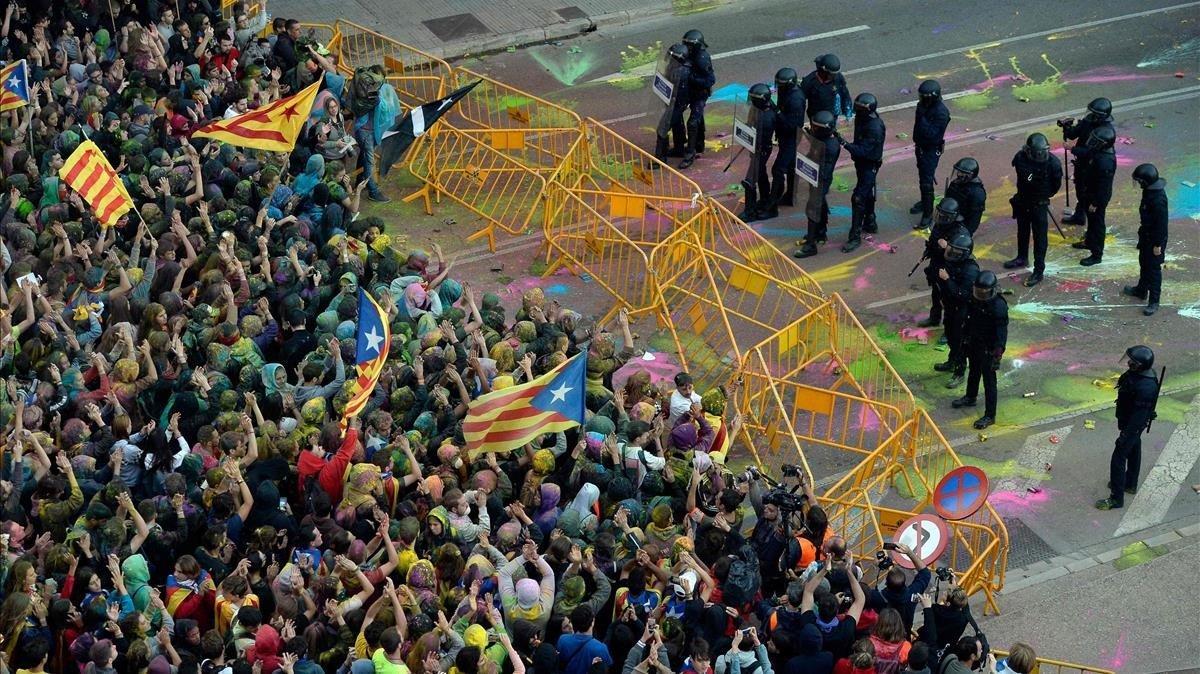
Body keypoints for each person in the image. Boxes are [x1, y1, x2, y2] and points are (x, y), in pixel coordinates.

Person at [1096, 346, 1159, 510]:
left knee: (1118, 458)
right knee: (1134, 448)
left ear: (1141, 365)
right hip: (1129, 421)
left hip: (1132, 425)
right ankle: (1130, 483)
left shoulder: (1146, 386)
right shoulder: (1138, 376)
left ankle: (1116, 499)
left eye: (1133, 361)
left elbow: (1139, 416)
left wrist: (1125, 435)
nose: (1129, 362)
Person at [1003, 133, 1063, 287]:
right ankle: (1022, 257)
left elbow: (1056, 186)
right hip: (1024, 199)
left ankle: (1038, 270)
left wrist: (1044, 194)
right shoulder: (1021, 159)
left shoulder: (1054, 163)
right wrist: (1037, 178)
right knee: (1022, 230)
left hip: (1039, 204)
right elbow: (1027, 178)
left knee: (1040, 237)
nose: (1040, 156)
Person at [953, 271, 1008, 429]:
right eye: (978, 291)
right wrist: (965, 338)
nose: (980, 295)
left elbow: (1001, 334)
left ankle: (990, 415)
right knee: (974, 371)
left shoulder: (998, 306)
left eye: (983, 292)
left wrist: (997, 355)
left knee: (989, 382)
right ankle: (971, 397)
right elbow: (969, 319)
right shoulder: (974, 298)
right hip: (974, 342)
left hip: (989, 348)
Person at [836, 92, 885, 252]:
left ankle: (854, 236)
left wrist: (844, 143)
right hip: (862, 163)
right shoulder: (863, 119)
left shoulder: (874, 127)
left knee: (858, 197)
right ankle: (870, 221)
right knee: (867, 192)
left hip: (869, 163)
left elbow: (863, 150)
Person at [934, 231, 980, 390]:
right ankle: (951, 361)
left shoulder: (970, 270)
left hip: (962, 310)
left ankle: (959, 371)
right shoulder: (953, 260)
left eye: (956, 251)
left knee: (959, 341)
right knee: (950, 335)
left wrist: (947, 280)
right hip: (950, 306)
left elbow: (964, 295)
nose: (952, 253)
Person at [1059, 97, 1115, 226]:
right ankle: (1079, 215)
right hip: (1081, 162)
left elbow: (1092, 152)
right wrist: (1067, 127)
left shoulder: (1105, 132)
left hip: (1091, 165)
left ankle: (1083, 217)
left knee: (1086, 192)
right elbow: (1074, 134)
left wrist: (1072, 149)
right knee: (1080, 190)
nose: (1091, 115)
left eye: (1094, 114)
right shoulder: (1089, 120)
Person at [794, 111, 841, 259]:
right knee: (819, 203)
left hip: (821, 180)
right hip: (816, 178)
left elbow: (824, 171)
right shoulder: (827, 141)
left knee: (813, 208)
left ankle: (811, 245)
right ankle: (821, 232)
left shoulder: (830, 147)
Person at [1123, 163, 1169, 315]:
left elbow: (1161, 225)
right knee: (1144, 262)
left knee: (1154, 270)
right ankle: (1141, 290)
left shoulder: (1158, 199)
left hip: (1155, 239)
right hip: (1146, 235)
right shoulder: (1150, 192)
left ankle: (1154, 301)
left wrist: (1157, 244)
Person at [917, 198, 967, 330]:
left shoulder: (960, 233)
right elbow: (932, 241)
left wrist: (948, 247)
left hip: (949, 269)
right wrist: (927, 252)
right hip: (936, 264)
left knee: (949, 300)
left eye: (944, 216)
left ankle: (949, 329)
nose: (940, 218)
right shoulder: (940, 225)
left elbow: (961, 255)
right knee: (936, 293)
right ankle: (934, 318)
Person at [1073, 125, 1116, 266]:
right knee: (1092, 222)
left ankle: (1097, 254)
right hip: (1090, 192)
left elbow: (1103, 188)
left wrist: (1096, 203)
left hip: (1097, 198)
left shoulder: (1105, 162)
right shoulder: (1099, 152)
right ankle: (1089, 242)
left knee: (1097, 225)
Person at [910, 80, 951, 230]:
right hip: (921, 146)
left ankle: (927, 213)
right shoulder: (922, 106)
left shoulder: (941, 113)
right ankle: (924, 201)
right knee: (922, 175)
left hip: (931, 149)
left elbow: (932, 135)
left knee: (926, 182)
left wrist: (923, 119)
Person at [738, 83, 779, 222]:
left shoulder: (767, 119)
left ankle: (750, 212)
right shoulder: (765, 108)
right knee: (761, 173)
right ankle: (765, 199)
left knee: (750, 179)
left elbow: (759, 137)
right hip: (758, 148)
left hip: (761, 149)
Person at [680, 29, 715, 169]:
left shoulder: (702, 58)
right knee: (696, 118)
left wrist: (691, 77)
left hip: (700, 94)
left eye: (689, 45)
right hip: (690, 92)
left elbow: (710, 80)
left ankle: (690, 153)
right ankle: (699, 144)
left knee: (693, 122)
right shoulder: (689, 54)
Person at [772, 67, 806, 209]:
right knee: (791, 166)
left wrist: (777, 113)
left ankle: (773, 200)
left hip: (791, 136)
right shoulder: (784, 91)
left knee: (778, 169)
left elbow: (792, 125)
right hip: (783, 134)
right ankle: (790, 195)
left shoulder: (796, 99)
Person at [653, 43, 692, 165]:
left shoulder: (682, 72)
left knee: (662, 129)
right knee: (677, 124)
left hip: (676, 103)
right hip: (674, 102)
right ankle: (679, 148)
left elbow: (678, 91)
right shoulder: (675, 68)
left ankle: (660, 158)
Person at [800, 54, 852, 122]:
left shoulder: (838, 78)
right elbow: (800, 101)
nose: (834, 76)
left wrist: (847, 111)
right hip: (817, 117)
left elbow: (845, 94)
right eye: (831, 74)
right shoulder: (809, 82)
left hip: (832, 114)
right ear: (823, 71)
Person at [943, 158, 986, 236]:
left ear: (970, 175)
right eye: (958, 171)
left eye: (962, 172)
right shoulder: (957, 183)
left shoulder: (977, 194)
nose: (958, 174)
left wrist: (965, 234)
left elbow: (974, 221)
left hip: (960, 225)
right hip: (950, 217)